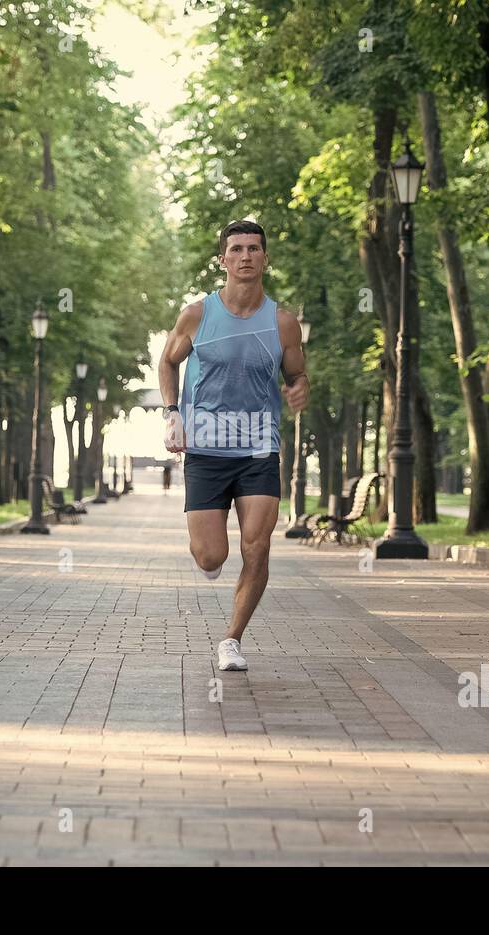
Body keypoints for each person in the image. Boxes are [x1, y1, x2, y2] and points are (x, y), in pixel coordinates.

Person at [158, 220, 309, 672]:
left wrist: (300, 389)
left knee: (257, 546)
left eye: (254, 249)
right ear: (223, 259)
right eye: (237, 249)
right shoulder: (198, 315)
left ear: (265, 259)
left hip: (259, 448)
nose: (245, 256)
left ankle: (231, 639)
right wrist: (172, 412)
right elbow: (167, 362)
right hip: (205, 449)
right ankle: (210, 560)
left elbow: (296, 374)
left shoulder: (283, 324)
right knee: (210, 556)